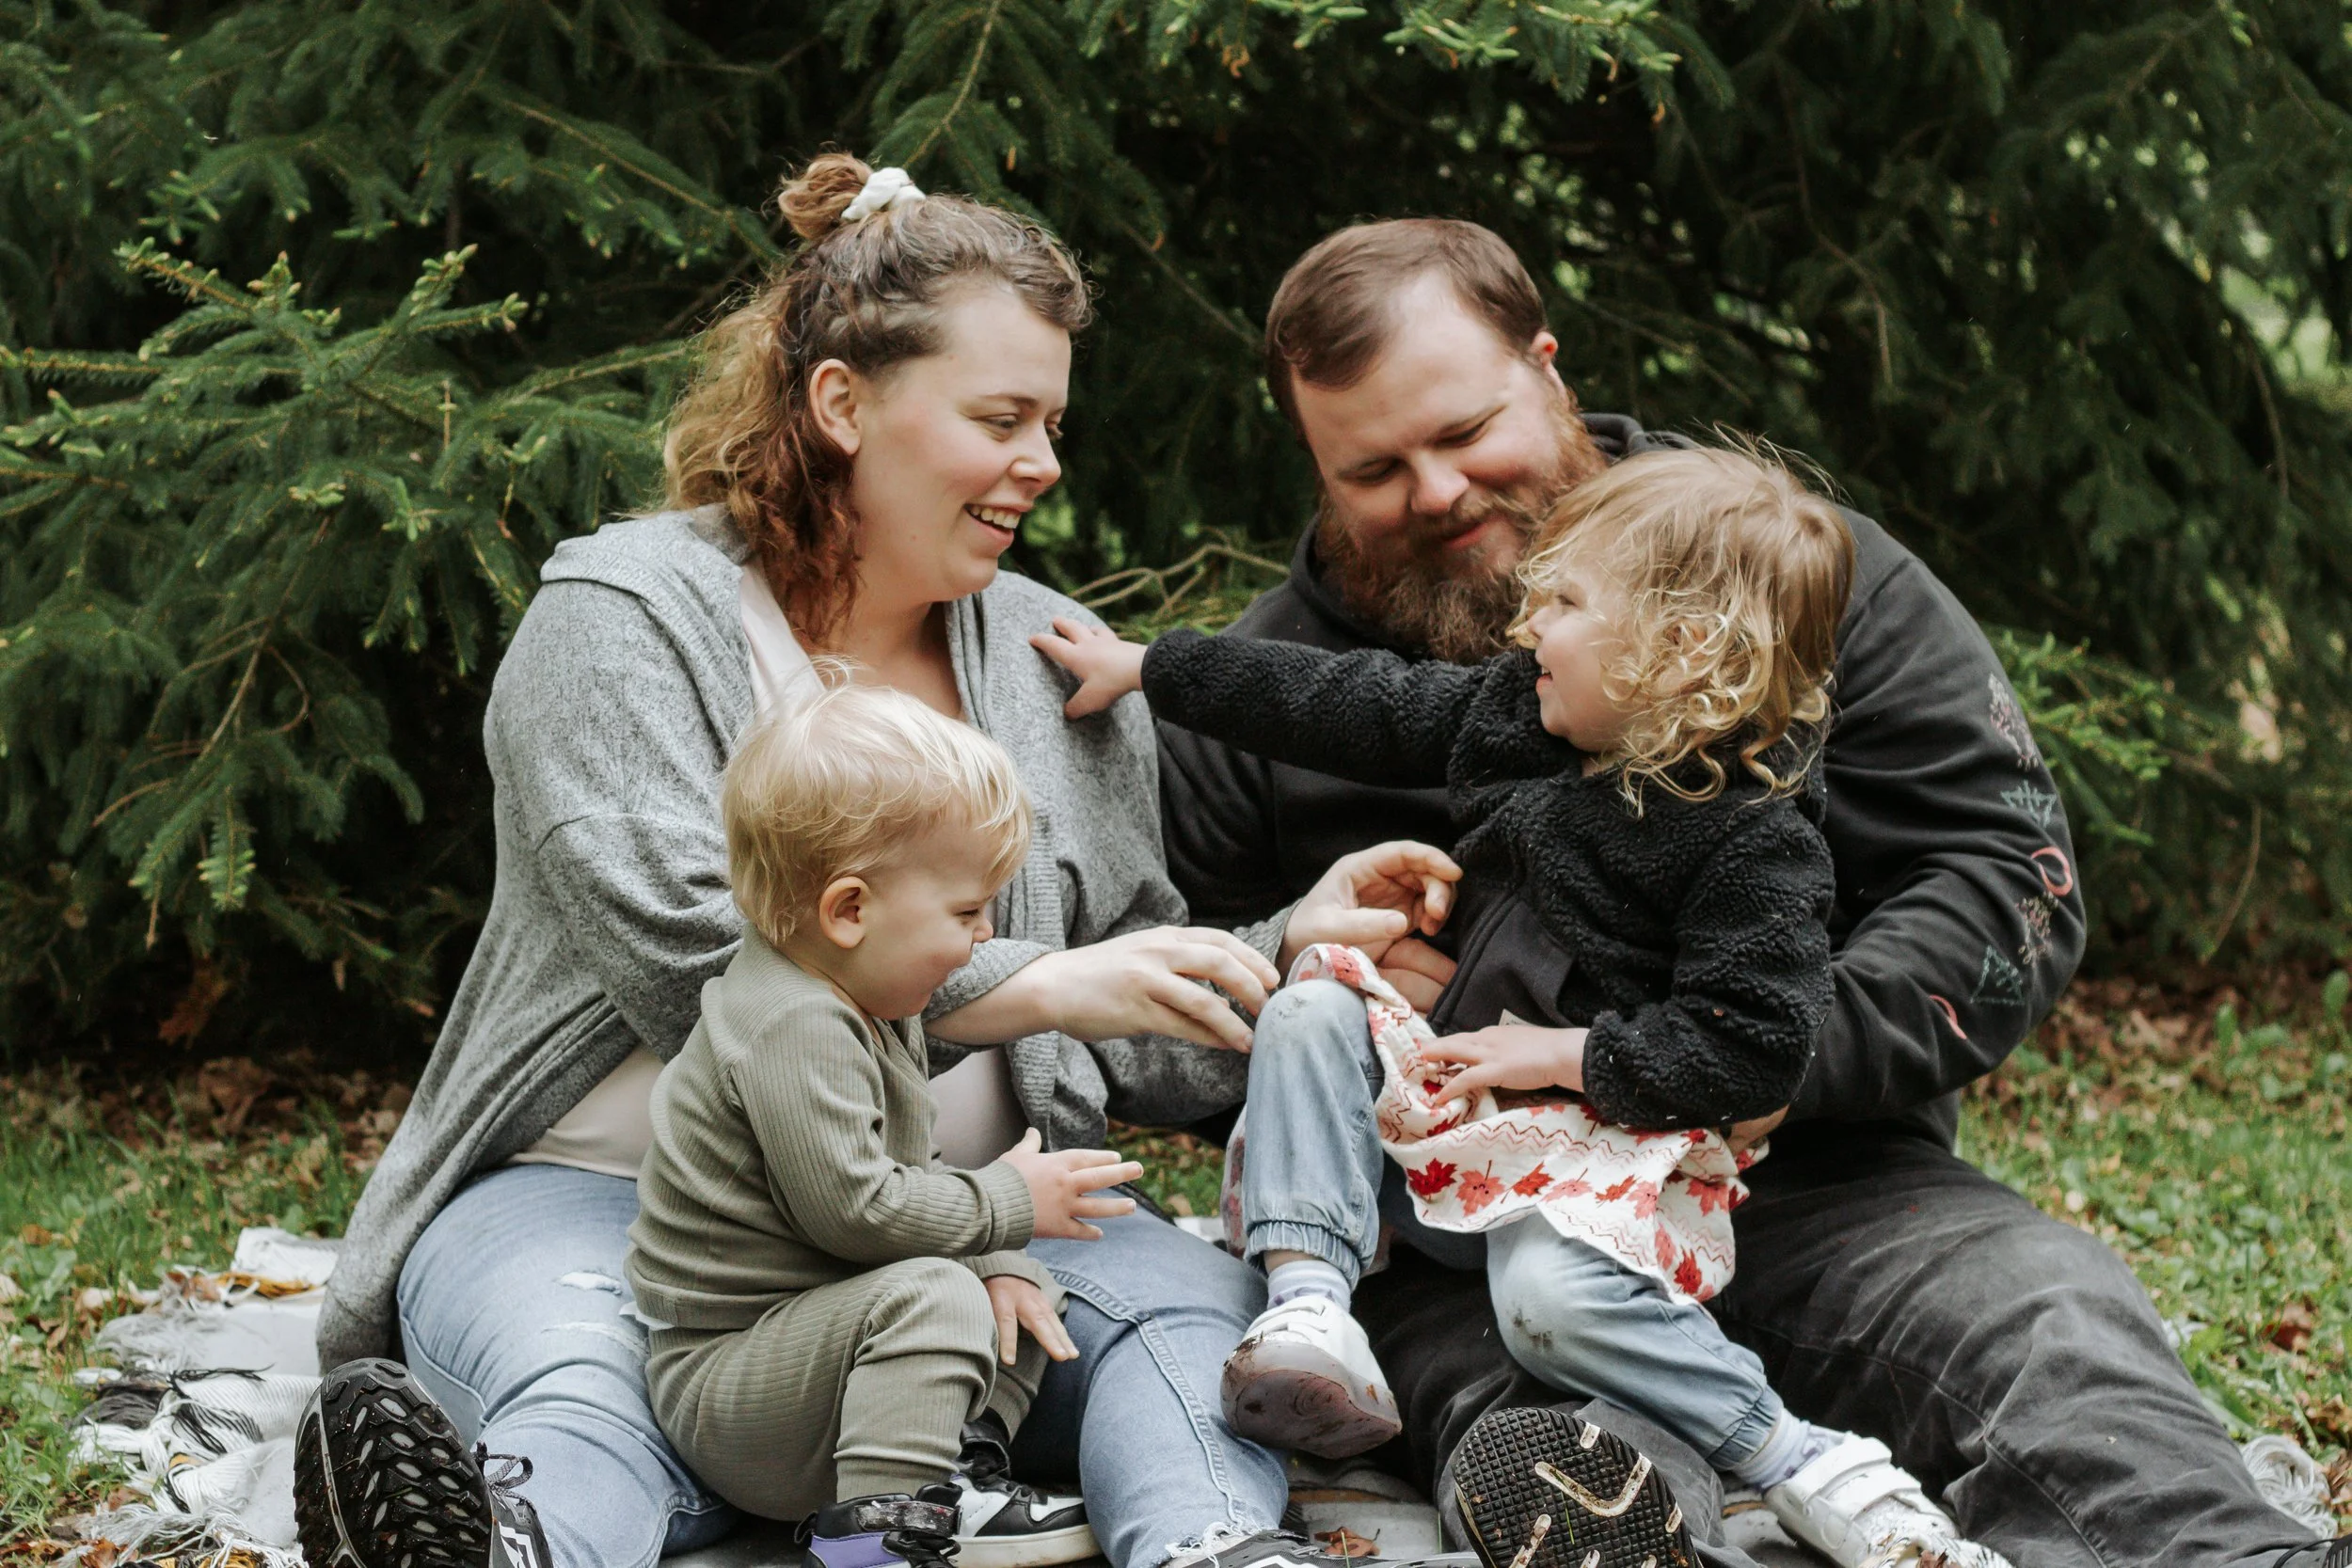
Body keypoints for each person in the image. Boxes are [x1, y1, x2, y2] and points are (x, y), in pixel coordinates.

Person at [297, 156, 1454, 1568]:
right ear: (844, 403)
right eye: (1001, 418)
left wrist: (1286, 951)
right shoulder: (623, 620)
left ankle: (1217, 1546)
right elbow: (698, 959)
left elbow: (1126, 1035)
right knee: (594, 1377)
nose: (1043, 461)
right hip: (614, 1205)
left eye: (1053, 422)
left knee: (1183, 1329)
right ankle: (511, 1543)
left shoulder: (1051, 658)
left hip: (985, 1219)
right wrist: (1043, 985)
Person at [1157, 216, 2341, 1568]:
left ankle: (2227, 1554)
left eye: (1466, 429)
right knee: (1527, 1413)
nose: (1433, 490)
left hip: (1812, 1182)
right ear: (1315, 467)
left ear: (1546, 367)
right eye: (1373, 468)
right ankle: (1638, 1498)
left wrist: (1763, 1052)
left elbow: (2003, 873)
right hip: (1452, 1234)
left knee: (2042, 1315)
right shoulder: (1259, 698)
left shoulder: (1789, 574)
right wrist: (1307, 958)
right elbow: (1148, 1016)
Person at [1042, 444, 2010, 1568]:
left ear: (1680, 650)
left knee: (1549, 1298)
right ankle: (1309, 1307)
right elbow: (1351, 700)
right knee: (1316, 1008)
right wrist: (1155, 666)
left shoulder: (1757, 842)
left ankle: (1801, 1462)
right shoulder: (1520, 719)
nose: (1523, 627)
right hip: (1446, 1120)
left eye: (1560, 603)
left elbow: (1755, 1045)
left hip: (1592, 1159)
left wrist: (1560, 1053)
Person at [627, 682, 1137, 1568]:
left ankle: (957, 1475)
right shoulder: (794, 1024)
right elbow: (857, 1212)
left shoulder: (860, 994)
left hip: (822, 1353)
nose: (985, 936)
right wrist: (1006, 1201)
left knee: (1017, 1291)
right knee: (940, 1293)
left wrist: (996, 1253)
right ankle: (883, 1537)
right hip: (735, 1385)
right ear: (850, 909)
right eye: (968, 911)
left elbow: (904, 1170)